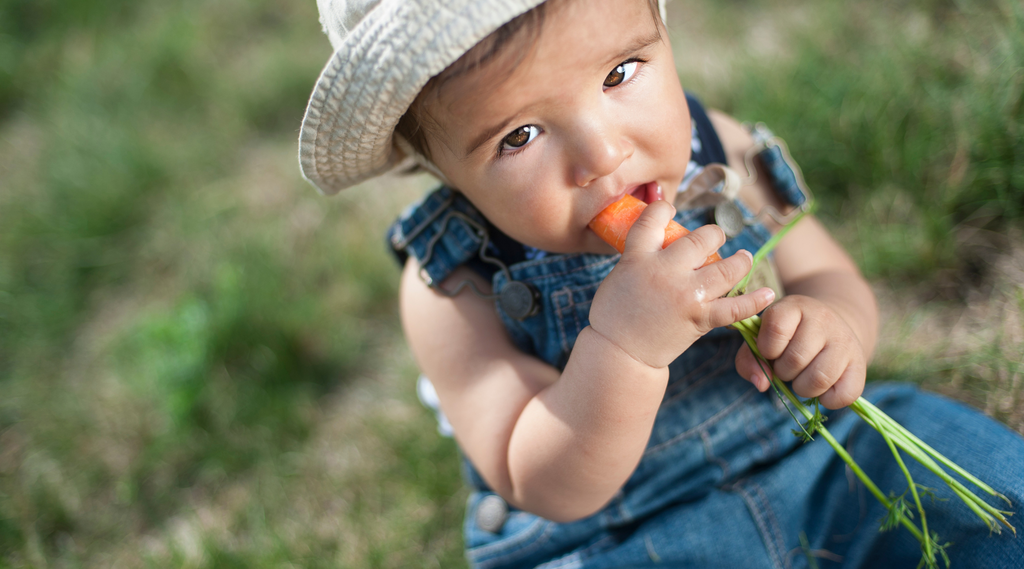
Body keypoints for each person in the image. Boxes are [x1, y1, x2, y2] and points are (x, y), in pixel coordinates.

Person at [297, 0, 1024, 567]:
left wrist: (835, 327)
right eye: (518, 136)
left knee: (995, 511)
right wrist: (624, 349)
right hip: (630, 535)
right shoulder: (451, 284)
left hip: (823, 456)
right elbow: (541, 481)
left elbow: (826, 269)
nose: (603, 154)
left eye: (619, 74)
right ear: (438, 167)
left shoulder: (723, 150)